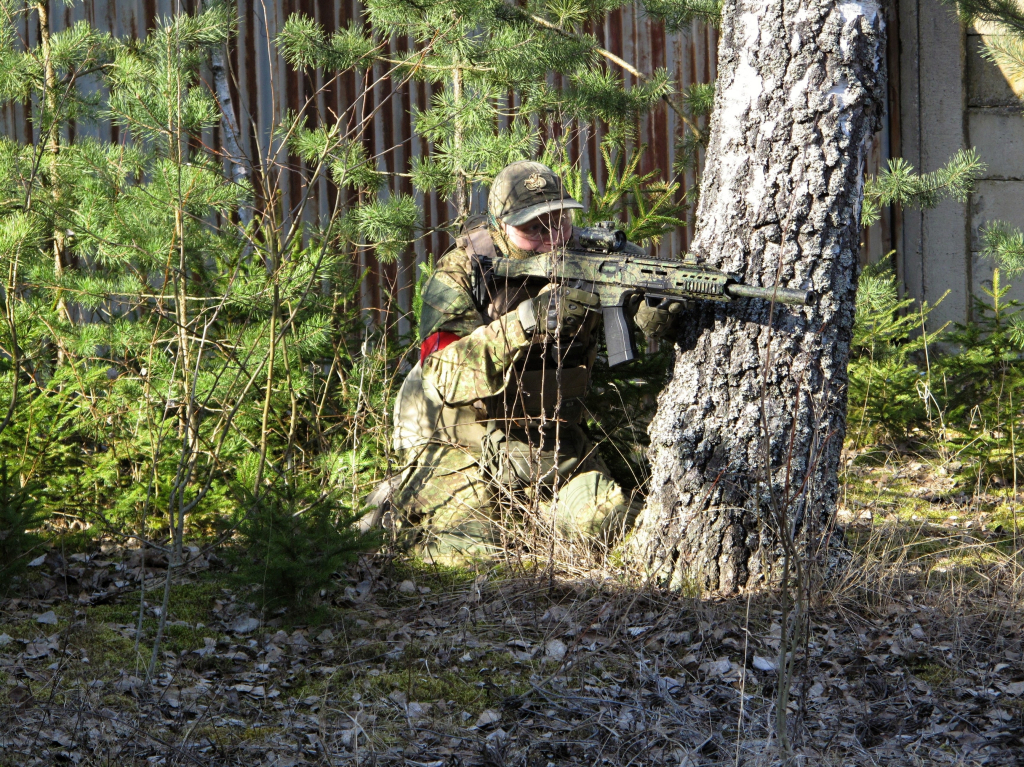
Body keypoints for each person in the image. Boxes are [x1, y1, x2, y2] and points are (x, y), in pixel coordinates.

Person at [379, 160, 681, 565]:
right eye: (532, 228)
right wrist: (525, 322)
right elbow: (442, 374)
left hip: (552, 447)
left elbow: (650, 305)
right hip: (463, 442)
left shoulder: (593, 257)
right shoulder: (463, 271)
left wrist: (653, 311)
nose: (550, 238)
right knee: (473, 560)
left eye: (559, 221)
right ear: (500, 227)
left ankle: (533, 519)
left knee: (608, 523)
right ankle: (397, 509)